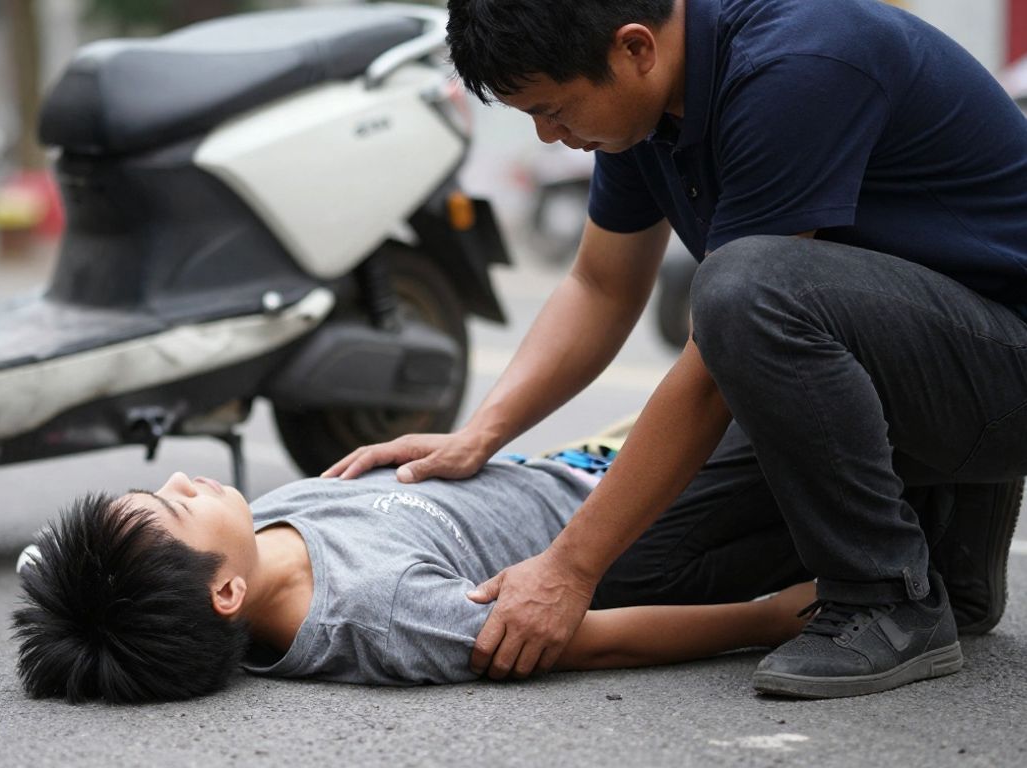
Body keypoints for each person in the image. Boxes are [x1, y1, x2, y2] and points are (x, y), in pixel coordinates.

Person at [323, 0, 1027, 699]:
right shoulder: (646, 110)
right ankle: (944, 564)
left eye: (555, 110)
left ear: (635, 49)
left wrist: (566, 568)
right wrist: (480, 435)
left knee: (744, 288)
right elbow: (601, 286)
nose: (546, 137)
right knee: (633, 573)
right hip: (921, 365)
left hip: (1006, 369)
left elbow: (721, 359)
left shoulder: (799, 63)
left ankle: (886, 597)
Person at [11, 451, 815, 703]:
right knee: (762, 348)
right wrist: (767, 621)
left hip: (577, 464)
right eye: (174, 507)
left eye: (157, 492)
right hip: (646, 531)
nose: (182, 481)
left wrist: (464, 445)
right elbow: (588, 641)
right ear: (225, 594)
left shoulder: (260, 528)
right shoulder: (377, 614)